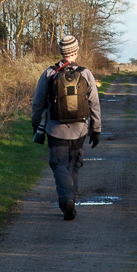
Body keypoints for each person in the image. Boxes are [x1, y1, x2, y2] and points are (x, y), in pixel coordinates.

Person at [31, 35, 102, 220]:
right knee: (74, 165)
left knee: (59, 165)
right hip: (79, 130)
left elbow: (38, 103)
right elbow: (94, 103)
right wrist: (96, 129)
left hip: (55, 129)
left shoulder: (49, 73)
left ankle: (66, 199)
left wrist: (35, 124)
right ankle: (71, 201)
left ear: (61, 52)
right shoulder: (86, 74)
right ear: (76, 52)